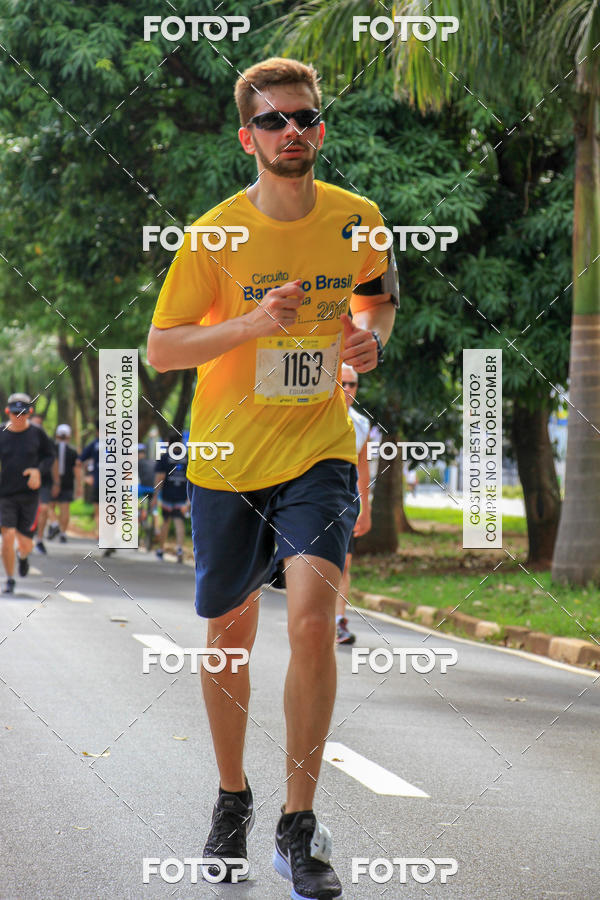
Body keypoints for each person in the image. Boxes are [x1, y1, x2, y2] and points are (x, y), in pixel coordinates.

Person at [147, 57, 397, 900]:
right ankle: (231, 798)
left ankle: (298, 824)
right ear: (246, 136)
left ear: (320, 128)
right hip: (225, 459)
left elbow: (377, 300)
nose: (293, 132)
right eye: (275, 121)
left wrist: (370, 340)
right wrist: (250, 323)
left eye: (306, 118)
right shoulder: (213, 233)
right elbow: (163, 348)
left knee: (314, 619)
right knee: (228, 635)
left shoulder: (359, 218)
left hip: (319, 451)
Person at [0, 394, 56, 594]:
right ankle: (9, 579)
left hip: (29, 496)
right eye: (15, 413)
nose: (19, 417)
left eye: (23, 413)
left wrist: (38, 470)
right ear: (8, 412)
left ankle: (22, 557)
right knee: (8, 534)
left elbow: (50, 456)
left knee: (25, 543)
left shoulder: (37, 434)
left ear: (29, 413)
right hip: (4, 495)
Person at [334, 365, 372, 646]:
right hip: (316, 500)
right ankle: (316, 618)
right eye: (343, 383)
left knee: (344, 565)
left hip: (347, 501)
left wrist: (365, 509)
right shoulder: (317, 418)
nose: (348, 389)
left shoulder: (361, 423)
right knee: (322, 565)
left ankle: (338, 622)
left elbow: (363, 466)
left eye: (353, 385)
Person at [152, 437, 189, 563]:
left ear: (168, 442)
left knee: (166, 522)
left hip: (167, 495)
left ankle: (161, 550)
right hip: (182, 495)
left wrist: (155, 496)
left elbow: (160, 478)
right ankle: (179, 549)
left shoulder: (165, 457)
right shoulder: (187, 458)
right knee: (179, 522)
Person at [30, 412, 60, 552]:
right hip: (25, 480)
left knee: (44, 508)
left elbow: (54, 461)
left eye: (39, 424)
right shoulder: (20, 438)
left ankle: (40, 540)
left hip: (45, 480)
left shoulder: (48, 442)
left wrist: (56, 482)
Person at [46, 424, 80, 543]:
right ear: (69, 436)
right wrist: (79, 485)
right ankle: (63, 533)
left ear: (57, 435)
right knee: (65, 509)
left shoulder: (50, 449)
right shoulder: (73, 451)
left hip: (51, 482)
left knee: (48, 506)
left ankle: (54, 524)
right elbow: (77, 469)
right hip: (68, 482)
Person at [79, 421, 100, 538]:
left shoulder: (94, 444)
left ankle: (102, 535)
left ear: (97, 431)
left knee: (99, 512)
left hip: (98, 483)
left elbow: (79, 461)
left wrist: (84, 477)